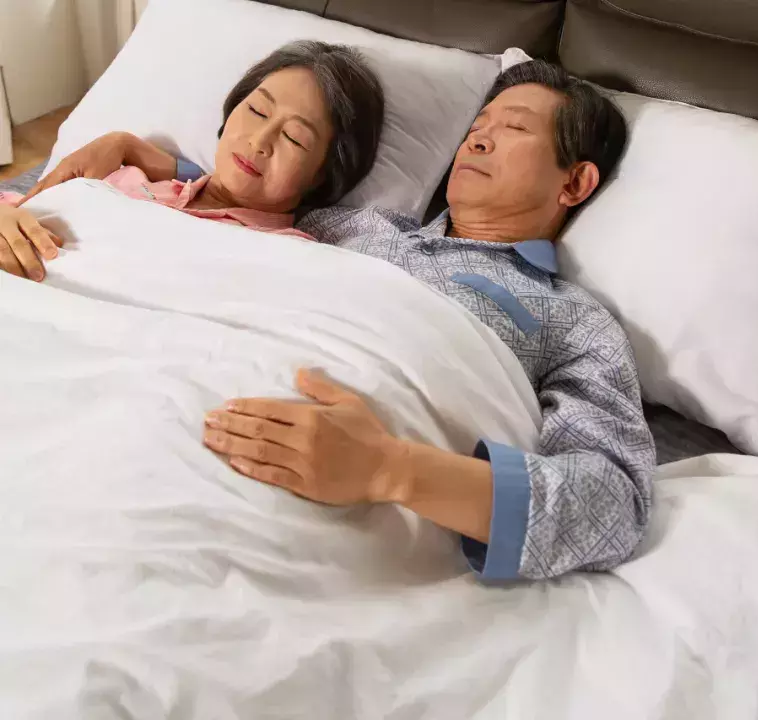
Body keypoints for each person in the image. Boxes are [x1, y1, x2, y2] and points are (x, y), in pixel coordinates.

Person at [11, 59, 656, 581]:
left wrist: (392, 469)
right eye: (478, 125)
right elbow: (234, 199)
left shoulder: (573, 321)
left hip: (324, 484)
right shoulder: (351, 227)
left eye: (513, 129)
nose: (478, 139)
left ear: (575, 183)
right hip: (182, 390)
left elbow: (614, 502)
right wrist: (128, 152)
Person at [0, 40, 384, 281]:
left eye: (294, 138)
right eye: (257, 111)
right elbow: (23, 210)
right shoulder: (127, 179)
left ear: (322, 175)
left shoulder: (294, 257)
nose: (259, 141)